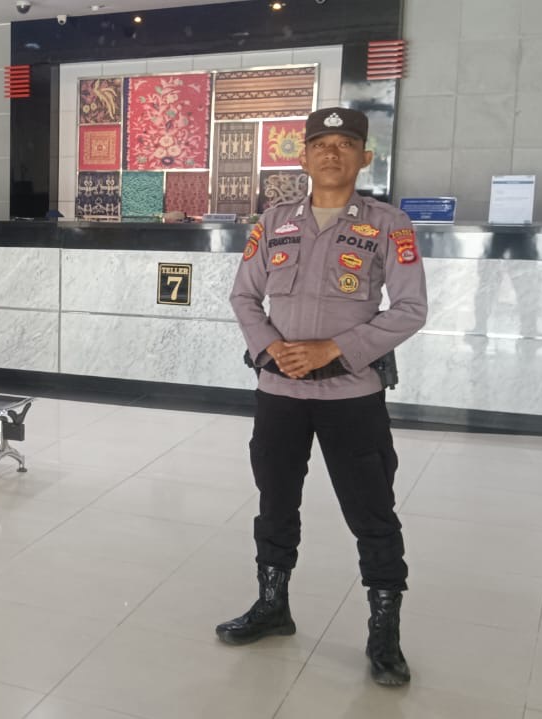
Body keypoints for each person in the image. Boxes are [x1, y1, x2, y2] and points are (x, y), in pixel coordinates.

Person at [221, 107, 428, 687]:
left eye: (345, 144)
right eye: (320, 144)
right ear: (303, 157)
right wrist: (271, 349)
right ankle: (272, 606)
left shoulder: (390, 225)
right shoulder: (273, 222)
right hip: (279, 393)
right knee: (275, 501)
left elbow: (411, 309)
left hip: (352, 397)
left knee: (371, 512)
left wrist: (332, 350)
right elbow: (244, 297)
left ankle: (384, 635)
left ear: (365, 157)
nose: (331, 153)